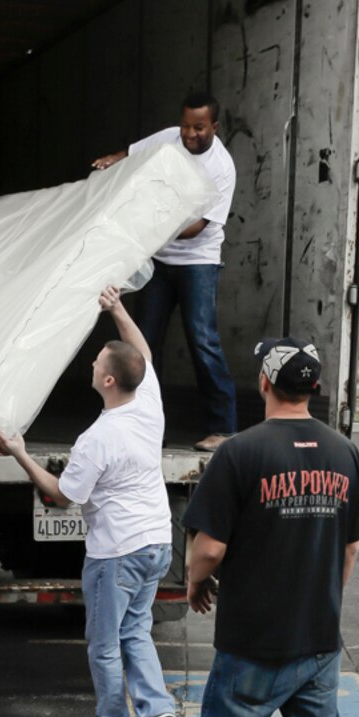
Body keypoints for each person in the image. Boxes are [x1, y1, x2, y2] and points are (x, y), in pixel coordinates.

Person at [154, 339, 359, 717]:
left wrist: (195, 582)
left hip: (253, 640)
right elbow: (349, 549)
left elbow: (209, 548)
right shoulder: (344, 453)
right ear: (314, 389)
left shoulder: (240, 453)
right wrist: (319, 599)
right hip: (317, 639)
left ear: (264, 384)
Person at [0, 286, 179, 717]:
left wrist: (19, 453)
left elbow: (60, 497)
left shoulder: (97, 439)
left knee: (103, 643)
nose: (92, 365)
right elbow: (144, 352)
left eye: (98, 363)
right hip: (157, 540)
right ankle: (156, 707)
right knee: (135, 629)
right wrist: (117, 309)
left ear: (111, 381)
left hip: (115, 552)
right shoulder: (148, 403)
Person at [92, 93, 238, 451]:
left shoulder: (221, 167)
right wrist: (112, 160)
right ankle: (141, 423)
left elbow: (196, 228)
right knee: (142, 341)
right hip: (159, 261)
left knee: (202, 340)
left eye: (199, 128)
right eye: (186, 125)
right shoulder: (171, 137)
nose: (189, 133)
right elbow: (133, 152)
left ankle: (224, 428)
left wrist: (150, 222)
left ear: (214, 128)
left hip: (197, 262)